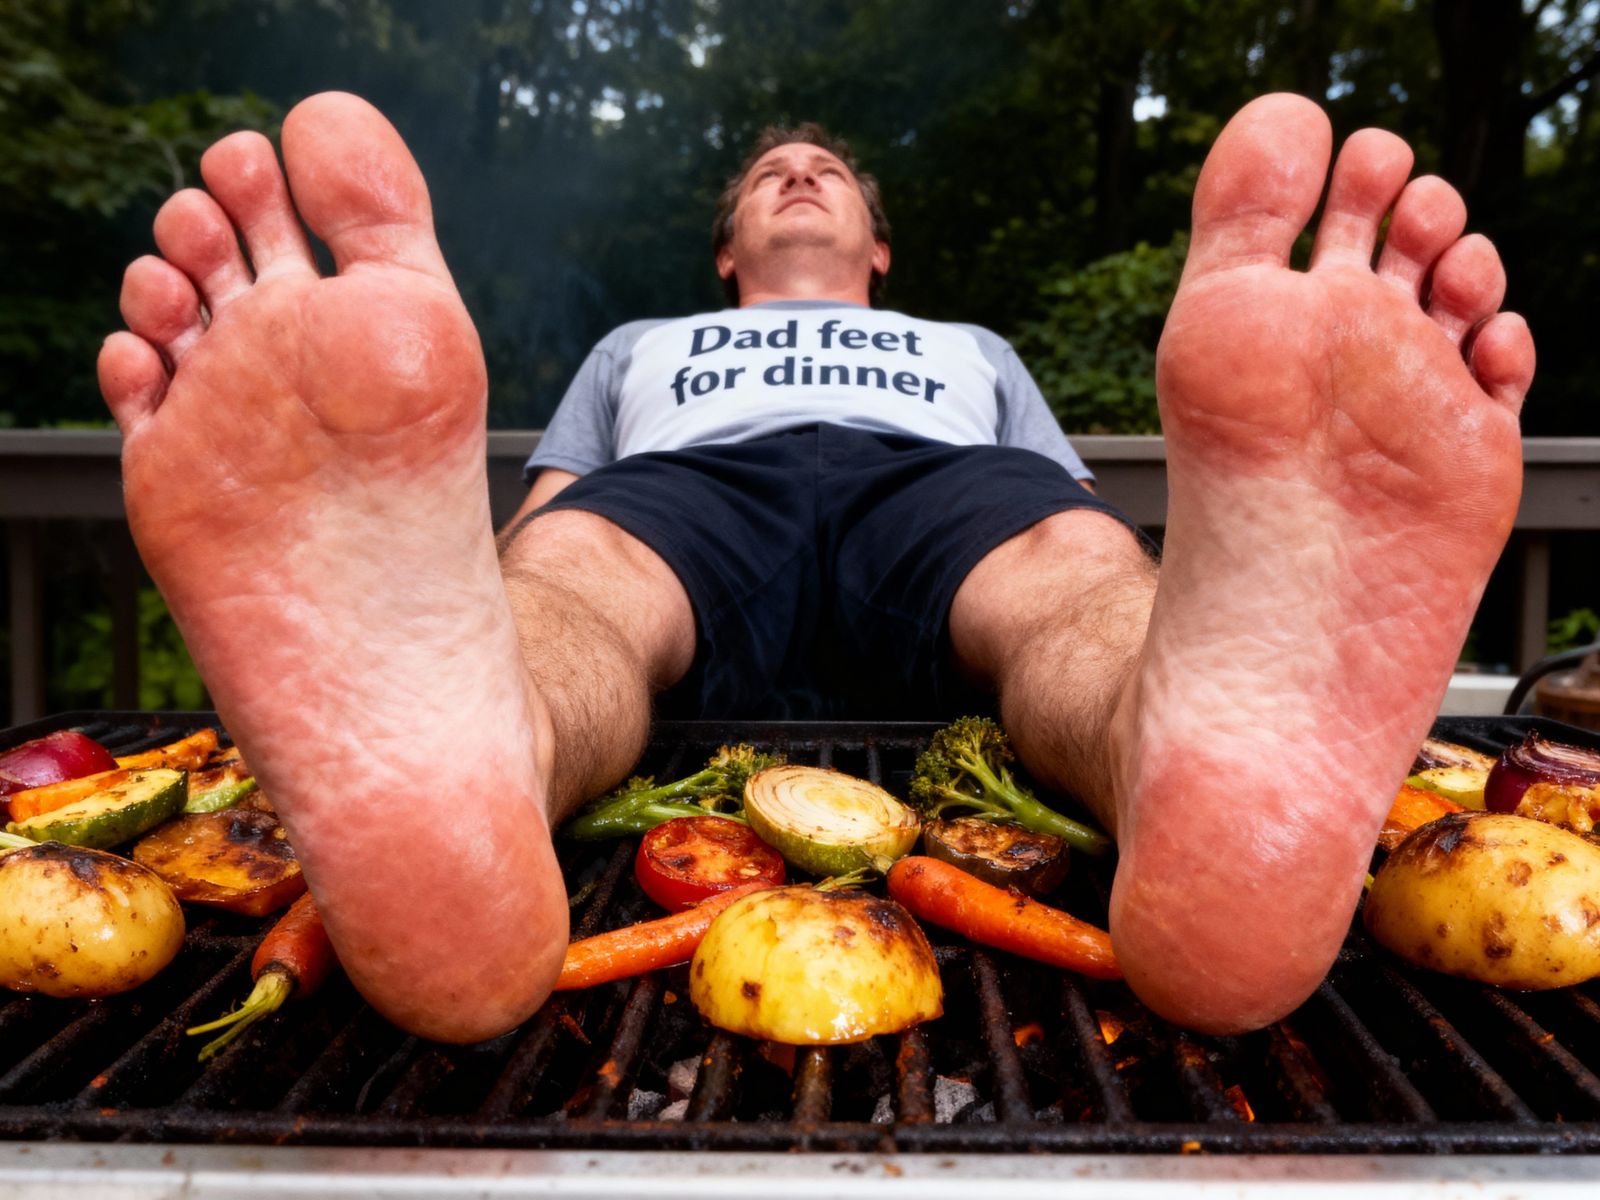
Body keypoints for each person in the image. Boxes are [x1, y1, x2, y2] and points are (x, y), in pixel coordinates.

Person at [98, 91, 1533, 1045]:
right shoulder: (640, 352)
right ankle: (477, 751)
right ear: (728, 255)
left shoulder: (968, 355)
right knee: (569, 587)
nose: (799, 176)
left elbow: (1081, 521)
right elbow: (543, 531)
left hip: (944, 488)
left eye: (828, 172)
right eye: (770, 176)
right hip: (687, 494)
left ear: (878, 248)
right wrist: (461, 607)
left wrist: (1185, 597)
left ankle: (1202, 742)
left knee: (1080, 586)